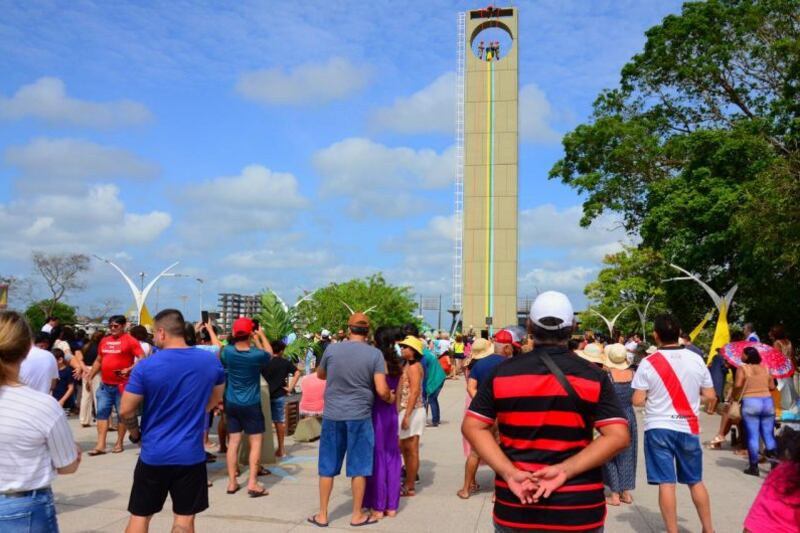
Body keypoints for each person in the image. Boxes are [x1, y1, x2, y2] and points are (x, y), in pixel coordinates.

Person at [463, 291, 630, 532]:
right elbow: (618, 436)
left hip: (516, 508)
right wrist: (564, 470)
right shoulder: (594, 376)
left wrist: (509, 473)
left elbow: (472, 426)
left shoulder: (502, 374)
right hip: (579, 510)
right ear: (573, 327)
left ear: (529, 327)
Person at [120, 309, 225, 533]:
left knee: (140, 516)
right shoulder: (210, 361)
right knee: (184, 520)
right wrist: (196, 410)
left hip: (154, 453)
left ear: (161, 332)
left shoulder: (146, 366)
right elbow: (215, 399)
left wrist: (136, 434)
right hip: (190, 454)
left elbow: (126, 409)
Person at [632, 314, 715, 533]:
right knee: (695, 481)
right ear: (679, 334)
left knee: (666, 483)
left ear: (655, 335)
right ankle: (709, 529)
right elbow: (711, 396)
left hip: (658, 427)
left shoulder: (648, 363)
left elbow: (637, 400)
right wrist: (692, 398)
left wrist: (656, 399)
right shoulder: (696, 359)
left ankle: (672, 531)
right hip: (688, 426)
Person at [308, 312, 392, 528]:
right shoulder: (375, 355)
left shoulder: (332, 349)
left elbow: (320, 374)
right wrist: (391, 398)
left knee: (327, 466)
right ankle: (356, 515)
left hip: (332, 415)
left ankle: (323, 514)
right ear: (368, 331)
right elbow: (382, 389)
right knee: (359, 467)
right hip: (359, 415)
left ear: (348, 329)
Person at [0, 311, 81, 532]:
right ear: (26, 348)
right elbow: (67, 466)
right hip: (22, 504)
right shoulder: (42, 405)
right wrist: (72, 453)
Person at [220, 317, 272, 497]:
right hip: (251, 404)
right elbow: (269, 353)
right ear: (250, 333)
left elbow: (221, 352)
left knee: (233, 442)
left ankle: (232, 482)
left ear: (234, 333)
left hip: (231, 402)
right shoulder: (256, 355)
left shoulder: (227, 352)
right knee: (255, 442)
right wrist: (261, 335)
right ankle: (252, 483)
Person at [87, 315, 144, 456]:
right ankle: (100, 445)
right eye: (110, 326)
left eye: (116, 326)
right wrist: (90, 376)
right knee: (101, 413)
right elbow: (99, 360)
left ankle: (119, 443)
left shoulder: (130, 340)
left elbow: (142, 357)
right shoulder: (104, 341)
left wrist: (130, 368)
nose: (112, 328)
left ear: (123, 326)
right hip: (105, 385)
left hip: (122, 385)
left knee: (121, 415)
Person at [364, 326, 403, 520]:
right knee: (392, 458)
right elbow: (398, 399)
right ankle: (392, 506)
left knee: (377, 458)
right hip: (392, 415)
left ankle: (378, 506)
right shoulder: (398, 364)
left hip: (376, 413)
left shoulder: (375, 362)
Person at [457, 337, 494, 500]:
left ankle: (469, 484)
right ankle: (497, 491)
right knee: (496, 446)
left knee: (473, 449)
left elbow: (469, 387)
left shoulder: (469, 364)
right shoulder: (491, 365)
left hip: (471, 404)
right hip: (486, 403)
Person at [743, 428, 800, 532]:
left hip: (757, 528)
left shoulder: (783, 470)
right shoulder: (784, 471)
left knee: (753, 434)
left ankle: (753, 465)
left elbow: (754, 523)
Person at [602, 343, 638, 506]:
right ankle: (626, 492)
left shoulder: (607, 376)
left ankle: (615, 494)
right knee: (627, 454)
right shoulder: (633, 374)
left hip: (611, 416)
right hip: (629, 415)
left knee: (608, 455)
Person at [735, 346, 778, 476]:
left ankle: (753, 467)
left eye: (742, 354)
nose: (741, 356)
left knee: (753, 436)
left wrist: (734, 396)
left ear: (747, 356)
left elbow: (737, 385)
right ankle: (774, 466)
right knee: (768, 435)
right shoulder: (766, 368)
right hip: (767, 403)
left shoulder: (742, 368)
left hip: (751, 403)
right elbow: (772, 386)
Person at [260, 339, 301, 458]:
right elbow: (297, 373)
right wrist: (290, 387)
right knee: (279, 421)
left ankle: (263, 450)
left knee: (262, 421)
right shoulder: (285, 362)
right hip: (279, 394)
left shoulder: (264, 361)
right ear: (282, 351)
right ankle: (281, 448)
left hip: (264, 394)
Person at [398, 335, 425, 498]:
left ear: (413, 351)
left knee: (411, 449)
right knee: (405, 448)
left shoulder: (414, 367)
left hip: (413, 410)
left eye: (405, 347)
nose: (402, 349)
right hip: (408, 409)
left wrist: (407, 416)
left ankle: (410, 485)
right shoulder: (408, 364)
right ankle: (409, 481)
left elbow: (415, 391)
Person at [78, 330, 104, 427]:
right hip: (96, 372)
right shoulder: (100, 349)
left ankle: (84, 420)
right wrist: (92, 371)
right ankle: (100, 419)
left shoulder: (86, 347)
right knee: (98, 396)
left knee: (86, 396)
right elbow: (99, 362)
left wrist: (85, 369)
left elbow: (81, 360)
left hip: (86, 370)